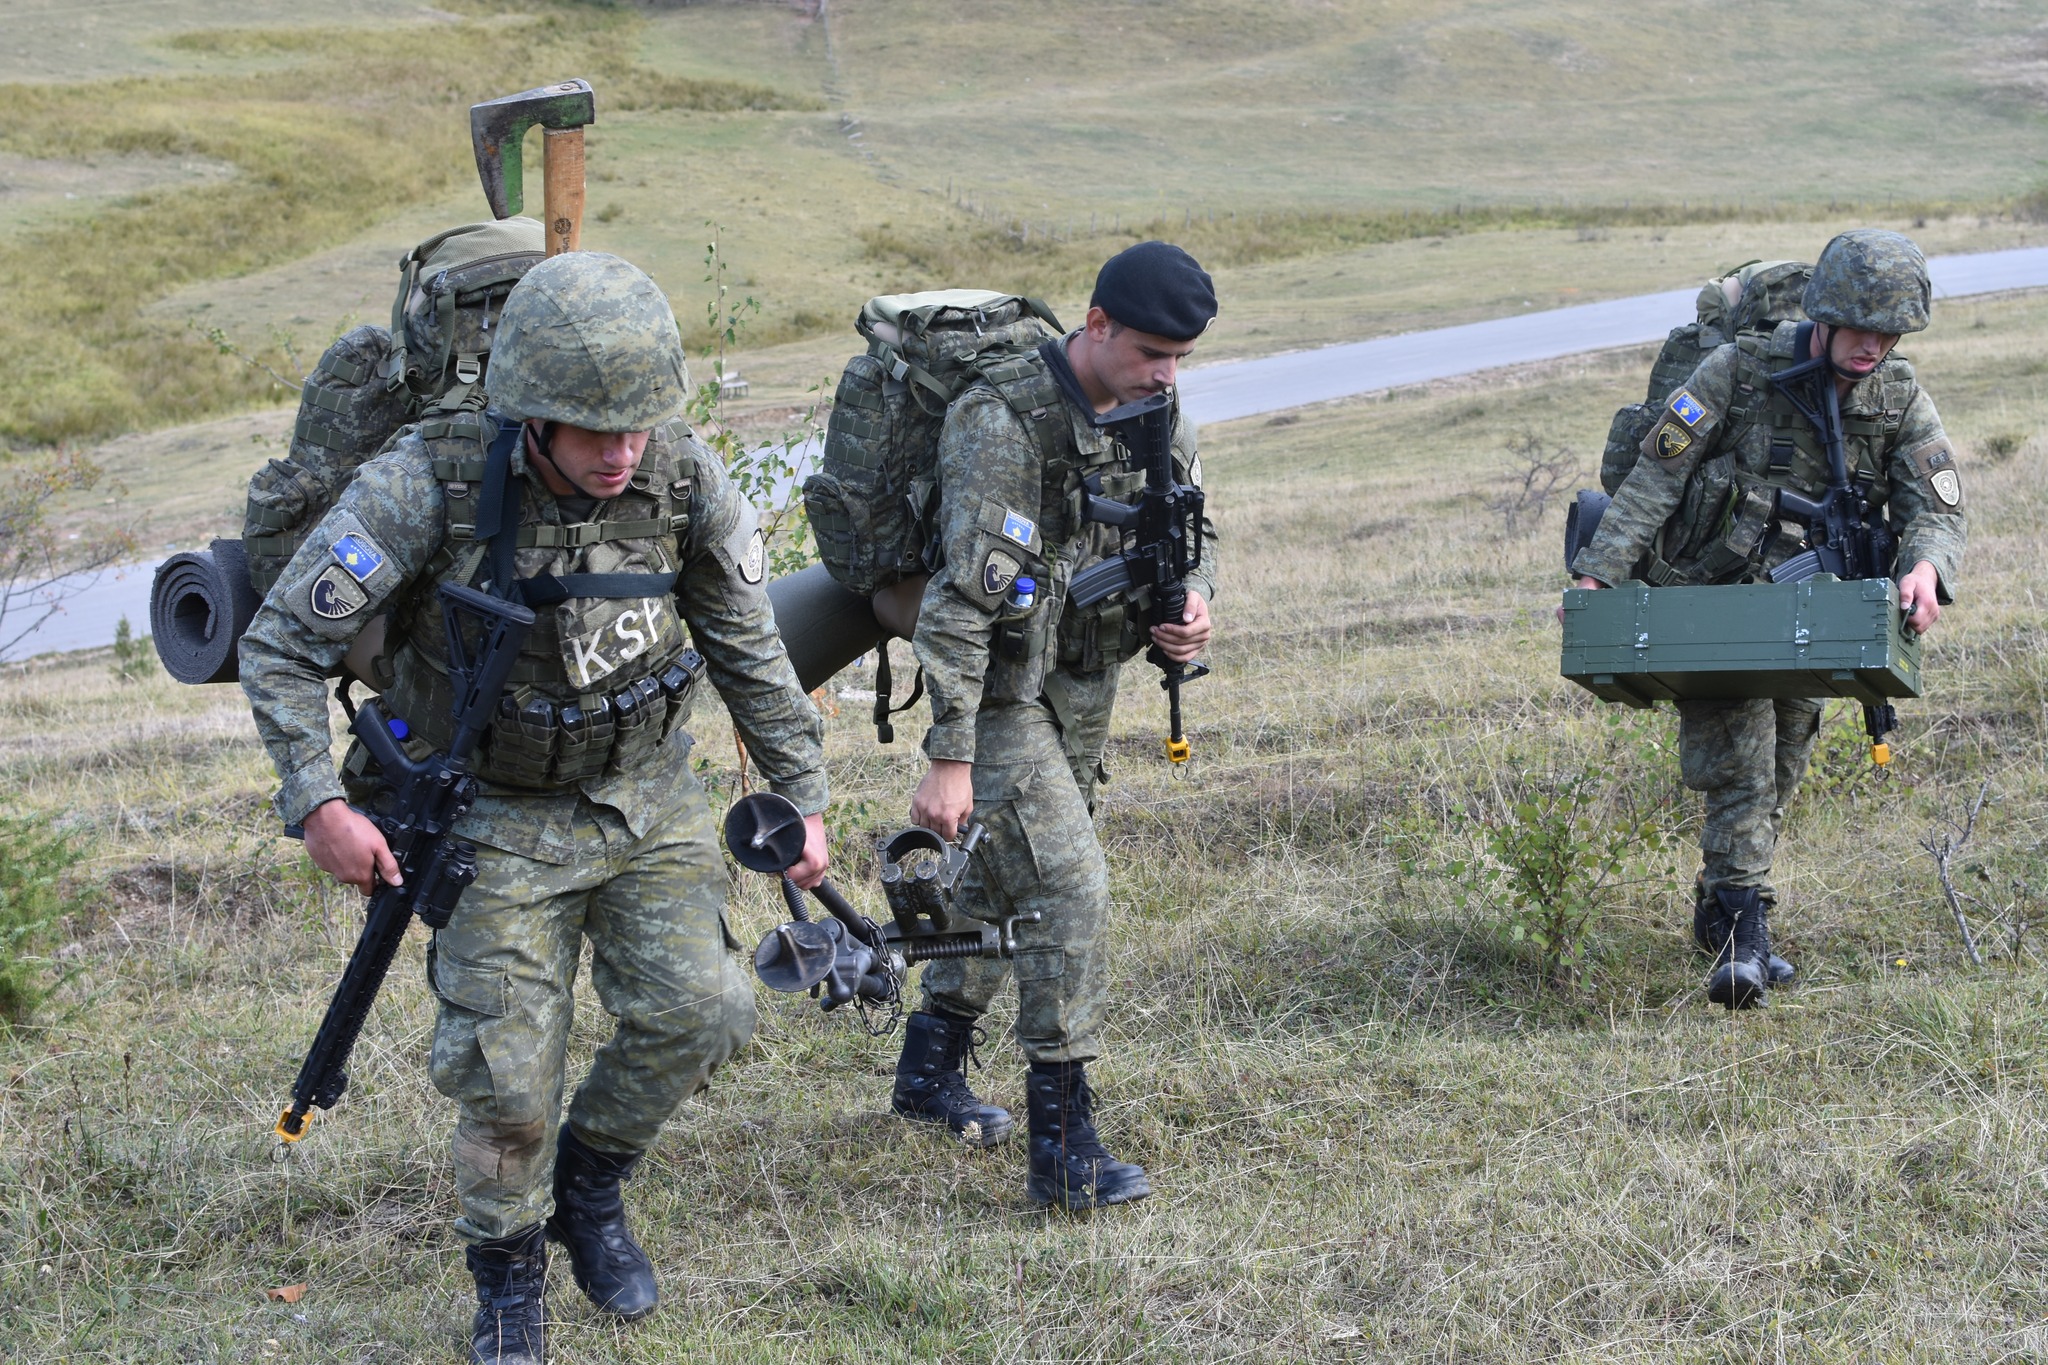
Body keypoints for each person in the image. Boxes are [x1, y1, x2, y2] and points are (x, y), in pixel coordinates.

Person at [239, 252, 829, 1364]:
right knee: (508, 1079)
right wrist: (315, 800)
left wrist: (799, 797)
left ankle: (590, 1188)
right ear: (529, 418)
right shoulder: (427, 482)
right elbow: (279, 640)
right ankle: (506, 1271)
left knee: (705, 1013)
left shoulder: (679, 475)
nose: (621, 454)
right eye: (591, 431)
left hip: (643, 793)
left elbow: (748, 647)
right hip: (494, 814)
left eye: (638, 426)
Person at [890, 241, 1219, 1209]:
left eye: (1179, 359)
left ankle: (926, 1067)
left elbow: (1193, 525)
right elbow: (956, 603)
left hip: (1080, 678)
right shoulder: (1000, 421)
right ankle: (1063, 1149)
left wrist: (1191, 601)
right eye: (1150, 352)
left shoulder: (1160, 416)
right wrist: (948, 757)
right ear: (1096, 323)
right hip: (997, 689)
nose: (1163, 375)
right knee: (1069, 886)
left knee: (1007, 876)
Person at [1569, 229, 1966, 1008]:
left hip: (1814, 611)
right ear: (1824, 313)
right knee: (1743, 765)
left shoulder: (1899, 396)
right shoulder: (1743, 370)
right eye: (1861, 329)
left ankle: (1720, 909)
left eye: (1890, 333)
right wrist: (1595, 574)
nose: (1874, 347)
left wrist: (1926, 569)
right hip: (1711, 600)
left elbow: (1937, 504)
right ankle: (1745, 939)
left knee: (1783, 762)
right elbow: (1657, 473)